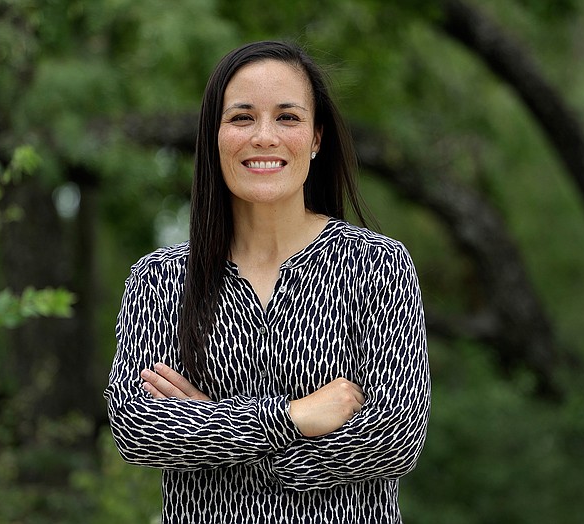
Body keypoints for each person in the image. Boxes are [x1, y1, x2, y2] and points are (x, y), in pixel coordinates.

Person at [105, 40, 430, 523]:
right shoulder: (161, 279)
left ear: (317, 138)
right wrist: (293, 418)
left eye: (287, 117)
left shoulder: (376, 266)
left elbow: (394, 440)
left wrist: (211, 423)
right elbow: (136, 428)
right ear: (214, 136)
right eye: (241, 118)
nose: (263, 137)